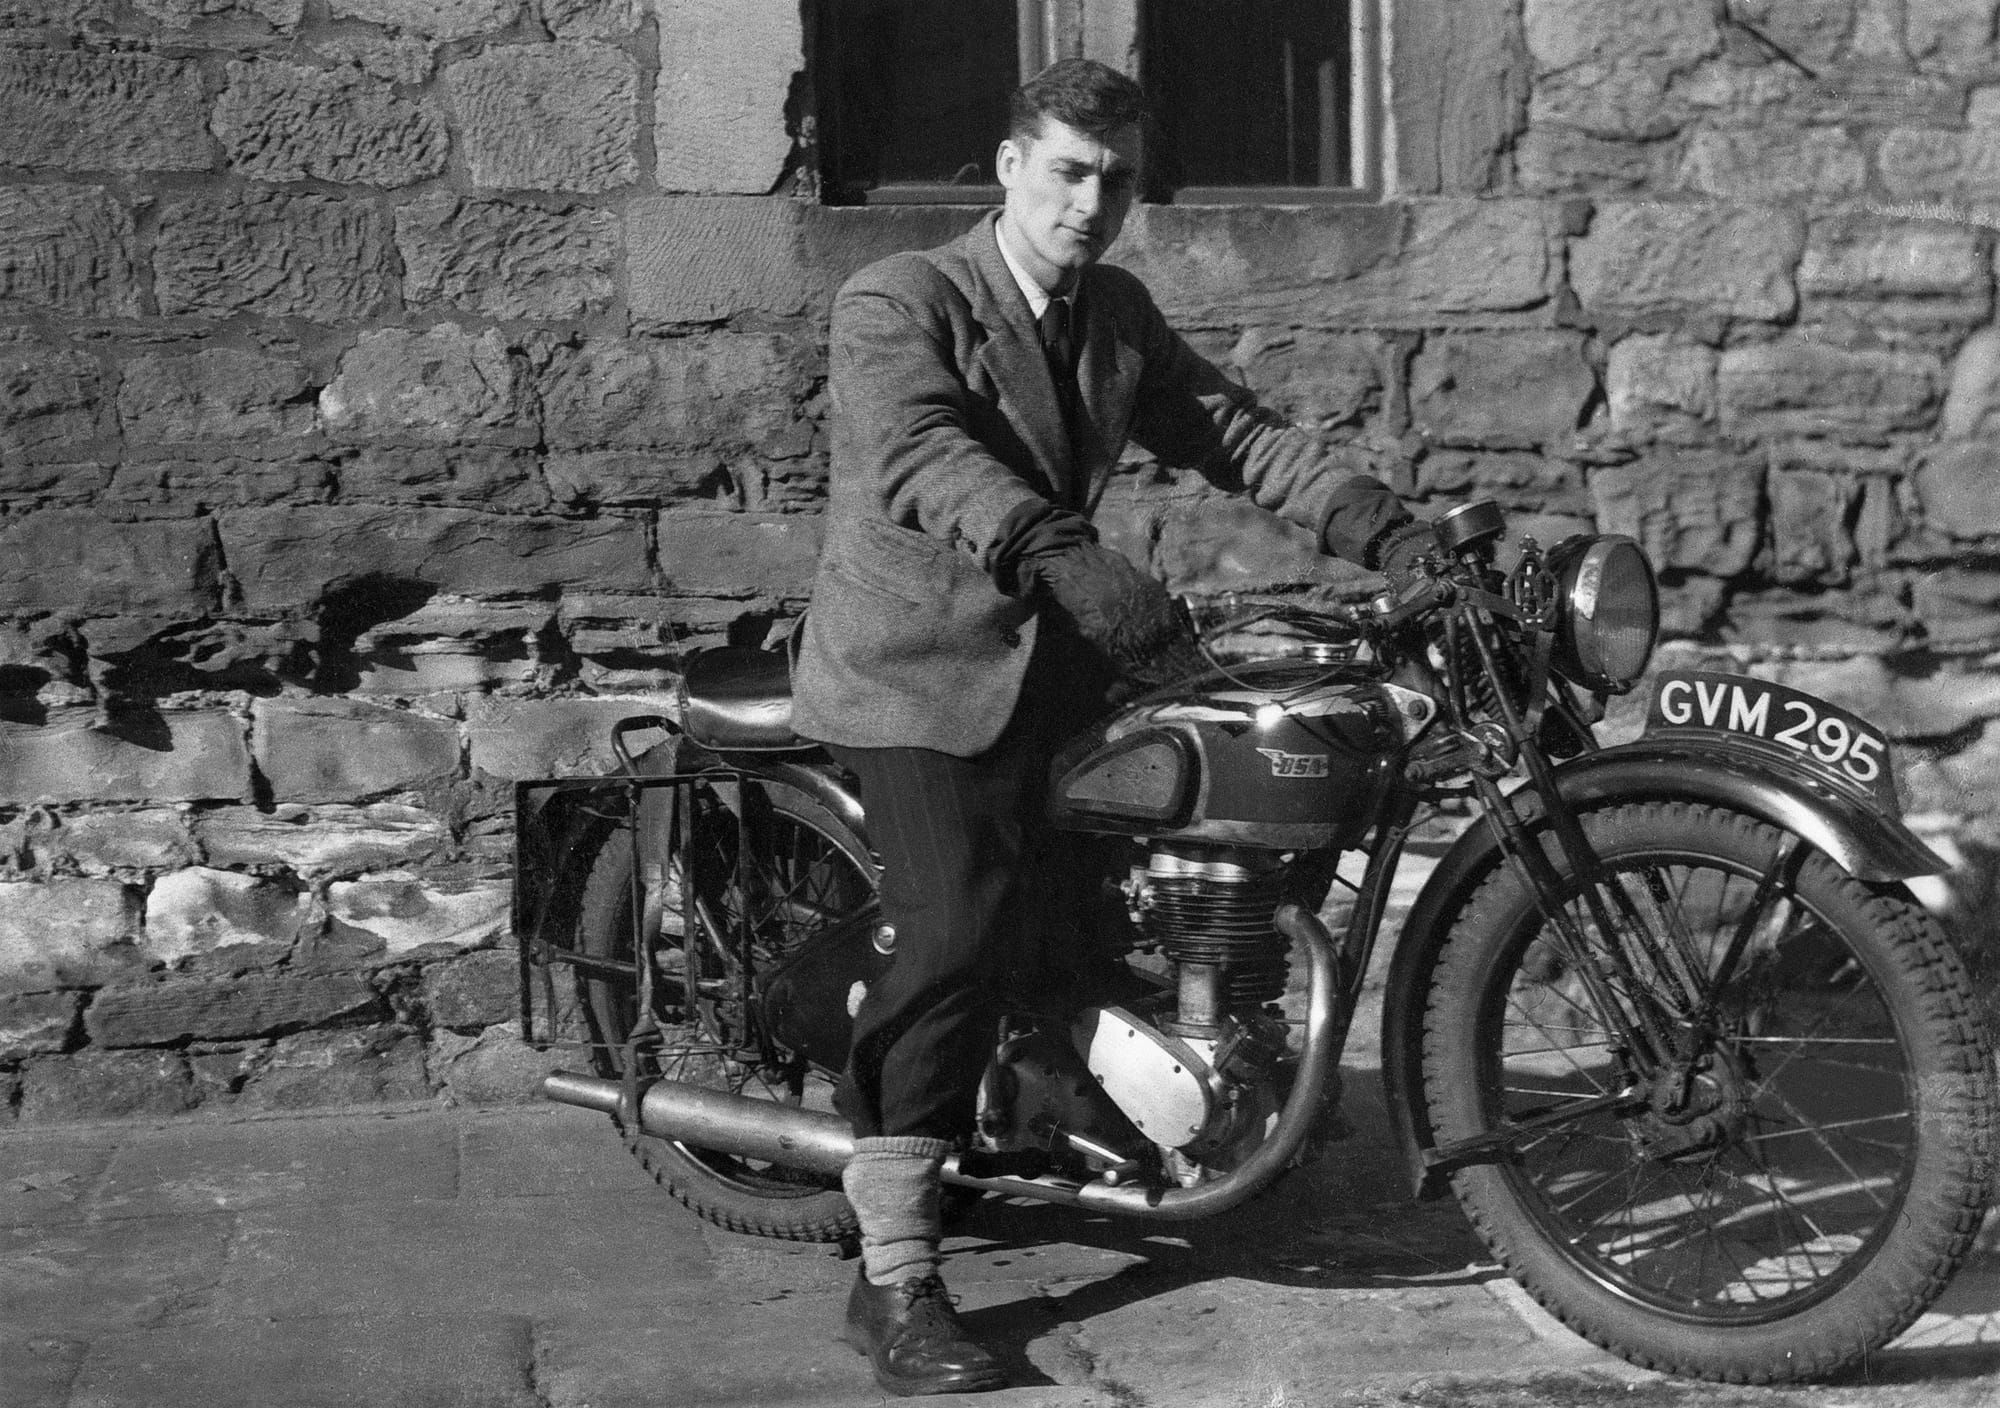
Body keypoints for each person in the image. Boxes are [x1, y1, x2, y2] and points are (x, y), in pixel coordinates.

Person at [789, 58, 1428, 1397]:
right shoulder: (904, 297)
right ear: (1010, 166)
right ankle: (894, 1271)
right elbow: (917, 451)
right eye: (1070, 171)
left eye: (1118, 179)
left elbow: (1241, 436)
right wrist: (1059, 548)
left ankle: (1141, 1097)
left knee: (1189, 822)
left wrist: (1383, 525)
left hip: (1058, 667)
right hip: (918, 671)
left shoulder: (1114, 315)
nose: (1092, 202)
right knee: (958, 926)